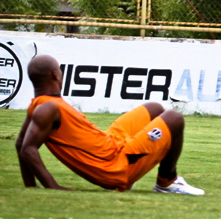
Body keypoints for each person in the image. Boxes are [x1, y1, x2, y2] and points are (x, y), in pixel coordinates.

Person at [15, 54, 204, 195]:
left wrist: (30, 186)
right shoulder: (47, 108)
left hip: (110, 144)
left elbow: (20, 144)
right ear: (56, 75)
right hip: (115, 164)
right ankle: (166, 182)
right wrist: (53, 187)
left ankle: (159, 178)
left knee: (155, 108)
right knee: (174, 118)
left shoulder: (39, 105)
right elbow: (27, 149)